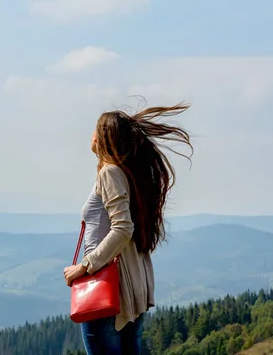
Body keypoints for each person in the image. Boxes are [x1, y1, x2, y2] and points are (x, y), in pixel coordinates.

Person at [64, 101, 194, 355]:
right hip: (133, 288)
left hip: (110, 289)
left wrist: (84, 266)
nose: (90, 135)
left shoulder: (110, 173)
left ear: (104, 138)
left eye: (94, 130)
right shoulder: (130, 174)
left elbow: (123, 228)